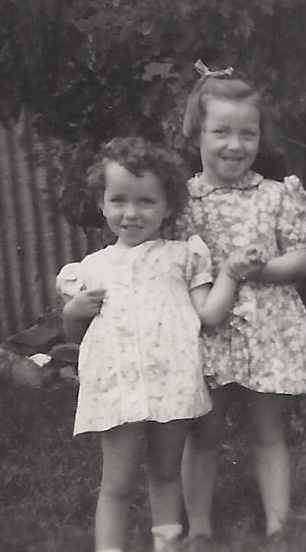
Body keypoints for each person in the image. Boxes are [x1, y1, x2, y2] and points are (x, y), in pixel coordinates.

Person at [56, 137, 262, 552]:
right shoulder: (90, 269)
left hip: (173, 382)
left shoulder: (183, 256)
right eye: (118, 200)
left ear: (168, 207)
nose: (131, 213)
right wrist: (74, 311)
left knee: (166, 472)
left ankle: (166, 546)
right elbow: (77, 336)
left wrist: (232, 274)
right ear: (102, 203)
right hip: (119, 387)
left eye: (146, 202)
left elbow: (207, 316)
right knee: (116, 481)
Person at [175, 60, 306, 543]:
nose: (235, 145)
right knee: (203, 434)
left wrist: (255, 269)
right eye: (221, 131)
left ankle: (278, 525)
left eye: (248, 133)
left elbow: (300, 262)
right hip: (209, 328)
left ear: (260, 137)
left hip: (269, 329)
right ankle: (199, 528)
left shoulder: (276, 195)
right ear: (196, 135)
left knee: (268, 430)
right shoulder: (182, 204)